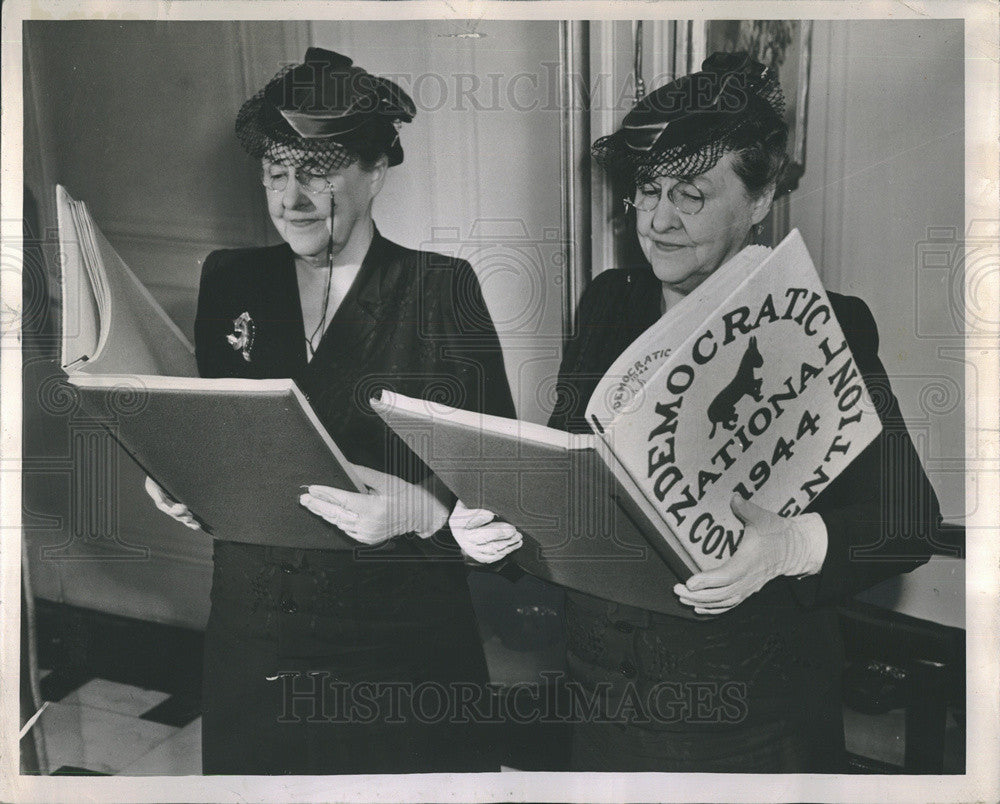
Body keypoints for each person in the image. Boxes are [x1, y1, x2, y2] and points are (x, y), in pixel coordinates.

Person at [450, 52, 945, 773]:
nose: (656, 220)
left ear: (761, 194)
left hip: (747, 713)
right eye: (646, 190)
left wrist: (788, 548)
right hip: (599, 697)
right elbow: (572, 476)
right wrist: (499, 522)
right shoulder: (609, 302)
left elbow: (906, 521)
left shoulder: (821, 321)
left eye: (691, 195)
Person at [146, 47, 514, 774]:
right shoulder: (230, 280)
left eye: (316, 173)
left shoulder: (443, 289)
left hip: (398, 637)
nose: (292, 198)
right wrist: (175, 476)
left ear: (376, 172)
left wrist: (423, 512)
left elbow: (504, 496)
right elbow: (217, 433)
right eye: (275, 175)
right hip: (257, 633)